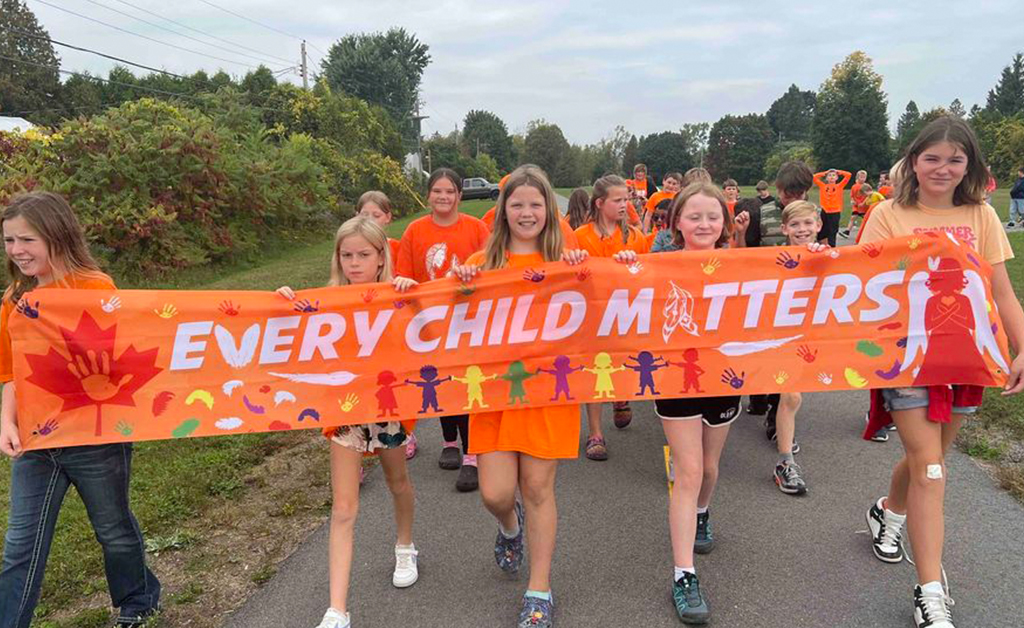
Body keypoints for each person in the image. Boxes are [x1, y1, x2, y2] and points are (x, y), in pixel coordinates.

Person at [859, 116, 1024, 628]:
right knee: (931, 466)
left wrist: (1022, 347)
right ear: (913, 161)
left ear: (969, 166)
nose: (943, 168)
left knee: (930, 459)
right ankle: (931, 591)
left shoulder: (981, 216)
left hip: (969, 357)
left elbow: (1001, 292)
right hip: (907, 357)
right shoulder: (888, 213)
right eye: (932, 157)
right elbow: (858, 284)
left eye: (955, 159)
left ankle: (889, 510)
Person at [452, 165, 608, 628]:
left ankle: (539, 588)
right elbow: (445, 323)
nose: (526, 213)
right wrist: (459, 289)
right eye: (517, 204)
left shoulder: (569, 262)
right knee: (496, 493)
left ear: (549, 210)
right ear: (503, 211)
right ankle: (509, 526)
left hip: (548, 393)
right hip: (497, 395)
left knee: (539, 488)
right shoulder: (481, 266)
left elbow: (607, 313)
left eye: (535, 204)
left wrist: (588, 279)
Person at [0, 192, 161, 628]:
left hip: (95, 438)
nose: (17, 251)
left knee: (112, 528)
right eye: (9, 240)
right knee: (21, 544)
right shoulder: (14, 299)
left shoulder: (96, 288)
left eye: (27, 239)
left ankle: (138, 600)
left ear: (57, 235)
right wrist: (5, 422)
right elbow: (11, 371)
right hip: (37, 441)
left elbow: (120, 356)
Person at [278, 217, 420, 628]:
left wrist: (414, 298)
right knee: (343, 507)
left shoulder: (397, 294)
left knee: (397, 482)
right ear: (337, 257)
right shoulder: (324, 299)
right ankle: (337, 608)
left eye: (364, 255)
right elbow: (288, 329)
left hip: (388, 407)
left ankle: (405, 544)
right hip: (345, 413)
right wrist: (281, 303)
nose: (354, 263)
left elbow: (428, 331)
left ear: (381, 258)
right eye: (347, 255)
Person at [648, 182, 743, 625]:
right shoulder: (658, 265)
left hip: (724, 377)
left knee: (707, 469)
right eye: (694, 216)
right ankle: (683, 573)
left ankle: (703, 512)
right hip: (676, 378)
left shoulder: (744, 265)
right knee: (686, 472)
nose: (704, 224)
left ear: (724, 223)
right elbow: (613, 292)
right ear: (676, 223)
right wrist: (629, 265)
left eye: (712, 216)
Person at [395, 168, 490, 492]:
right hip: (431, 320)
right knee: (439, 381)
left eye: (450, 191)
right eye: (437, 191)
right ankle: (449, 440)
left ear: (459, 195)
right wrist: (406, 284)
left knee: (466, 385)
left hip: (469, 320)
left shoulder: (476, 229)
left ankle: (472, 454)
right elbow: (404, 274)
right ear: (428, 194)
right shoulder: (414, 230)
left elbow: (493, 270)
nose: (443, 197)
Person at [574, 174, 650, 460]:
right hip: (592, 316)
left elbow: (647, 275)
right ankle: (595, 432)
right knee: (594, 370)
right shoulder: (580, 237)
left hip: (625, 314)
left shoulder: (635, 236)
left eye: (626, 199)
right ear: (600, 203)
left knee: (624, 364)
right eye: (617, 200)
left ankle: (621, 396)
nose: (624, 204)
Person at [742, 161, 816, 441]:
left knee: (786, 353)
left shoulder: (813, 215)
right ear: (778, 189)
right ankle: (760, 394)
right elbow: (746, 251)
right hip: (766, 292)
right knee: (763, 350)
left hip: (799, 296)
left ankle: (776, 415)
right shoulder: (763, 213)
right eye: (788, 193)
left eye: (800, 193)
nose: (793, 199)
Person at [354, 190, 417, 459]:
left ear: (388, 218)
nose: (369, 219)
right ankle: (356, 446)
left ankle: (404, 431)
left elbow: (405, 278)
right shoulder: (351, 250)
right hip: (362, 334)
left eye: (375, 215)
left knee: (394, 386)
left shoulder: (396, 247)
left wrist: (404, 285)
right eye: (364, 214)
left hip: (390, 331)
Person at [771, 200, 826, 495]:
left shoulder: (828, 254)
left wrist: (822, 258)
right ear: (784, 229)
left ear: (818, 225)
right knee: (790, 396)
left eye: (808, 223)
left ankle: (783, 446)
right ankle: (785, 460)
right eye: (795, 224)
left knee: (792, 397)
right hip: (778, 335)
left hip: (811, 336)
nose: (802, 230)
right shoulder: (775, 257)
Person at [813, 168, 852, 247]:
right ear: (826, 178)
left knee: (833, 230)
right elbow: (814, 177)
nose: (831, 177)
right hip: (825, 210)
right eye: (829, 175)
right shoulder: (823, 186)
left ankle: (832, 246)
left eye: (833, 175)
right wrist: (824, 173)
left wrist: (839, 172)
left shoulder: (839, 186)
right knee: (822, 229)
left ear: (837, 178)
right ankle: (819, 244)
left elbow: (848, 175)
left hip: (835, 211)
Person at [841, 170, 869, 238]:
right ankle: (847, 231)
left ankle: (866, 232)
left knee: (865, 220)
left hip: (864, 207)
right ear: (857, 177)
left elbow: (869, 196)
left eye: (864, 177)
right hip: (856, 206)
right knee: (853, 218)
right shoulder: (854, 186)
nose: (862, 178)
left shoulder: (867, 186)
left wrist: (863, 203)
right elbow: (852, 195)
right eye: (861, 177)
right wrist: (852, 201)